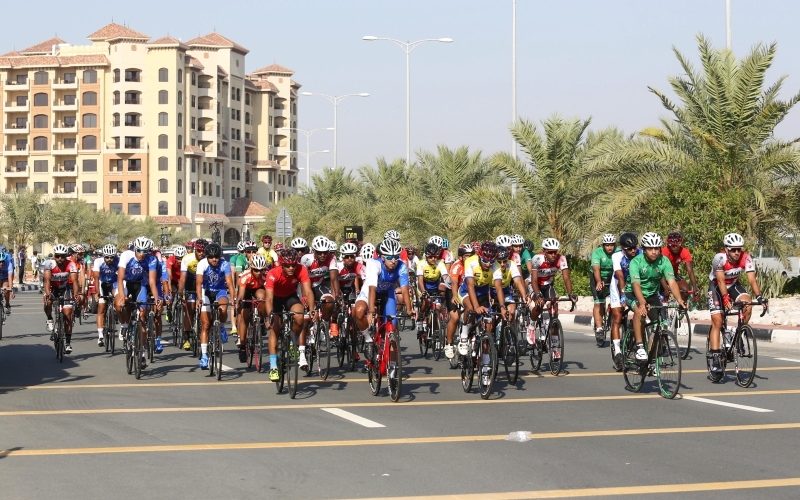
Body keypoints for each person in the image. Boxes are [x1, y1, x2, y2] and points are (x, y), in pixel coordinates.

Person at [706, 232, 766, 375]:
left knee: (747, 303)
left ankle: (737, 333)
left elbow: (752, 280)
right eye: (733, 249)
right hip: (716, 287)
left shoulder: (746, 258)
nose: (737, 252)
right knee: (718, 321)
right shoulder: (719, 259)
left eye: (739, 249)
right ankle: (715, 357)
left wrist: (760, 297)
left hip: (733, 285)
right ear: (726, 249)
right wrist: (725, 298)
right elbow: (720, 281)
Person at [626, 232, 687, 361]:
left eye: (656, 248)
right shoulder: (636, 262)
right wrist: (642, 303)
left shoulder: (664, 261)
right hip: (633, 293)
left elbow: (671, 282)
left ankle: (652, 359)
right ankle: (640, 347)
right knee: (640, 312)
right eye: (650, 249)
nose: (654, 252)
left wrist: (680, 299)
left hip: (652, 295)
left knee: (660, 324)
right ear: (643, 249)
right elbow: (636, 285)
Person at [353, 238, 412, 362]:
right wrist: (370, 311)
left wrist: (410, 309)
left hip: (387, 293)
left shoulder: (401, 266)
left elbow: (405, 289)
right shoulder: (374, 264)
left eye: (396, 256)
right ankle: (368, 339)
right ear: (383, 257)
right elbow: (372, 289)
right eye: (390, 257)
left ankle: (393, 368)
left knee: (392, 329)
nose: (393, 260)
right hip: (369, 292)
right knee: (358, 311)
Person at [265, 248, 316, 380]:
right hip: (275, 298)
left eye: (293, 265)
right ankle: (273, 367)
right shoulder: (272, 273)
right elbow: (269, 299)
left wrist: (311, 309)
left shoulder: (301, 269)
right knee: (275, 328)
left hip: (290, 297)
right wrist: (270, 314)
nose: (291, 268)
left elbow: (308, 291)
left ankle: (293, 340)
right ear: (282, 265)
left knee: (299, 316)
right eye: (287, 266)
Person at [529, 238, 577, 361]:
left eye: (555, 252)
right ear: (544, 251)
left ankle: (555, 348)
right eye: (550, 252)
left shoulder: (561, 259)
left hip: (548, 285)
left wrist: (570, 294)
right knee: (538, 306)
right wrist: (538, 295)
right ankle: (532, 325)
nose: (553, 255)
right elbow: (534, 280)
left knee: (554, 314)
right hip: (534, 285)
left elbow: (566, 278)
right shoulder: (537, 259)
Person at [195, 243, 235, 370]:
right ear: (207, 257)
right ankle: (205, 355)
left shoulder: (225, 264)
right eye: (211, 257)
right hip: (206, 292)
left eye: (216, 257)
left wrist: (233, 299)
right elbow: (199, 283)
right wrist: (199, 298)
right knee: (206, 325)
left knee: (223, 308)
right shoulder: (202, 264)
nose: (214, 259)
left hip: (220, 291)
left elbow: (229, 283)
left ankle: (221, 326)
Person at [609, 232, 641, 367]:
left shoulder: (641, 254)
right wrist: (622, 295)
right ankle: (617, 351)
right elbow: (620, 277)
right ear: (622, 249)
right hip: (618, 286)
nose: (633, 250)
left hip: (635, 285)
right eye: (629, 249)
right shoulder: (617, 256)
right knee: (617, 317)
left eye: (634, 247)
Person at [43, 244, 80, 352]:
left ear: (66, 256)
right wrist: (48, 293)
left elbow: (75, 282)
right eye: (58, 256)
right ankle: (49, 318)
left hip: (65, 288)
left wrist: (76, 295)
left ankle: (68, 343)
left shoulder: (71, 264)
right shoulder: (49, 264)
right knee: (48, 302)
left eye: (62, 256)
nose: (60, 258)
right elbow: (47, 281)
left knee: (68, 315)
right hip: (52, 288)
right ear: (54, 255)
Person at [235, 254, 268, 362]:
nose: (259, 273)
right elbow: (241, 295)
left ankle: (261, 321)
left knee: (262, 297)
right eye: (256, 270)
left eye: (261, 270)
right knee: (244, 315)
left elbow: (269, 293)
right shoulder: (245, 276)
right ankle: (243, 346)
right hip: (246, 291)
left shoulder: (266, 276)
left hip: (258, 289)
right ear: (251, 268)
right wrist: (239, 302)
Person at [590, 233, 617, 344]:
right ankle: (599, 328)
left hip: (612, 277)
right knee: (599, 303)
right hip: (597, 276)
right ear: (603, 245)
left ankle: (611, 311)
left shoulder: (619, 251)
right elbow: (596, 269)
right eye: (607, 245)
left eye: (611, 245)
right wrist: (598, 282)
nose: (609, 247)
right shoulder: (597, 253)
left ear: (615, 245)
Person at [93, 244, 119, 347]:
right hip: (102, 283)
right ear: (103, 256)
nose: (109, 259)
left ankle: (116, 315)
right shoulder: (98, 262)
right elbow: (96, 278)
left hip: (114, 283)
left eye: (111, 257)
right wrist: (96, 292)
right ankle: (100, 336)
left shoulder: (118, 261)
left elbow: (122, 276)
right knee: (101, 308)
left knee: (118, 301)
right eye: (107, 257)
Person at [662, 231, 699, 303]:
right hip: (661, 275)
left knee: (685, 290)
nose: (674, 247)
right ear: (668, 244)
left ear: (680, 243)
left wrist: (695, 288)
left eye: (677, 244)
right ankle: (664, 305)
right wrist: (665, 287)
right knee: (664, 293)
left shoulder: (684, 251)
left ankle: (681, 308)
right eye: (672, 245)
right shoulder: (664, 252)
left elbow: (690, 271)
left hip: (673, 275)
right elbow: (660, 271)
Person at [0, 246, 15, 315]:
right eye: (0, 262)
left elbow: (10, 277)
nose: (1, 264)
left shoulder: (9, 262)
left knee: (6, 289)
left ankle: (7, 304)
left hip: (6, 275)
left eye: (2, 262)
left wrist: (11, 290)